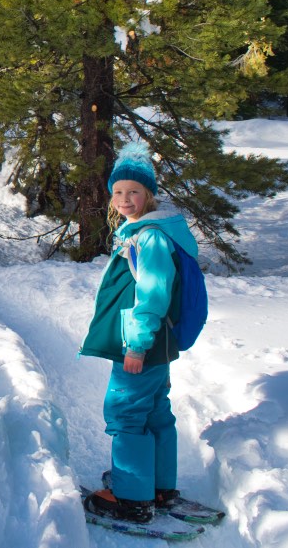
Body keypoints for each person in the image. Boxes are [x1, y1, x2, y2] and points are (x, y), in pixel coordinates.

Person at [78, 142, 200, 524]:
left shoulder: (149, 237)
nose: (125, 199)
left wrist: (136, 345)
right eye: (118, 192)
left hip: (142, 341)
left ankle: (131, 499)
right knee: (154, 412)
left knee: (126, 412)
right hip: (153, 342)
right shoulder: (146, 231)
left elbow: (153, 294)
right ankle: (158, 488)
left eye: (134, 191)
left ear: (150, 195)